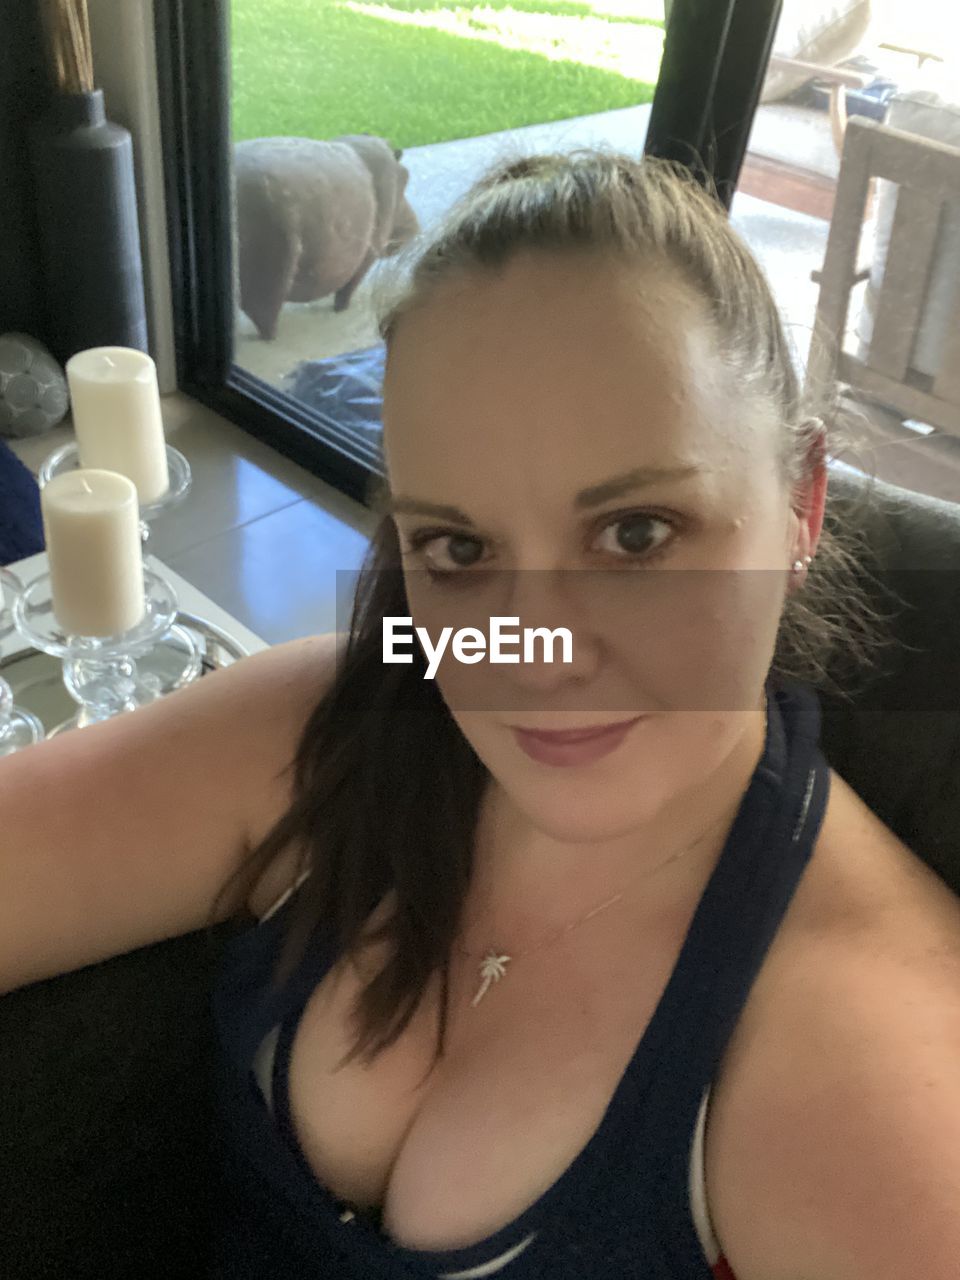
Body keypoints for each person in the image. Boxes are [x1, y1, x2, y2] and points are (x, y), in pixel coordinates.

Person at [3, 149, 959, 1280]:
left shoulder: (874, 1075)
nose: (534, 653)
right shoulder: (333, 729)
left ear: (800, 504)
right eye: (460, 549)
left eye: (637, 535)